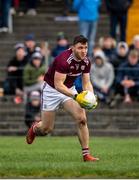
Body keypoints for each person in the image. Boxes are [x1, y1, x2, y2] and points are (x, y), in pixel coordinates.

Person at [26, 35, 99, 162]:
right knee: (46, 129)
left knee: (82, 119)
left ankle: (86, 155)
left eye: (86, 48)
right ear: (72, 48)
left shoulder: (86, 61)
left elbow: (86, 82)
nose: (83, 51)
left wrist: (91, 96)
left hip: (69, 89)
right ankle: (34, 128)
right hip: (51, 90)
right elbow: (58, 85)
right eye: (80, 47)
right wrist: (77, 96)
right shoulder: (63, 60)